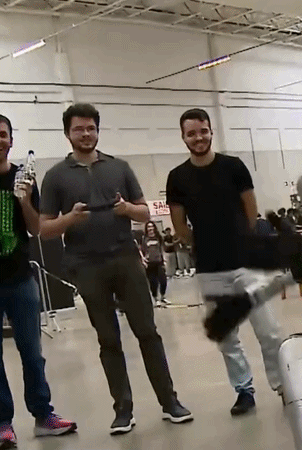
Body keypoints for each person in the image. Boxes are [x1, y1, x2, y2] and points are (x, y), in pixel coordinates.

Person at [39, 103, 192, 434]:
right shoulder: (55, 177)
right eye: (79, 129)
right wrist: (69, 219)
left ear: (98, 130)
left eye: (91, 128)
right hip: (86, 266)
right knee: (108, 339)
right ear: (67, 133)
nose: (86, 134)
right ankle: (123, 410)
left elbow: (145, 212)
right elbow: (44, 228)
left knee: (148, 332)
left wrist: (127, 210)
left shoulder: (120, 167)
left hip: (125, 260)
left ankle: (170, 402)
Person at [166, 108, 286, 415]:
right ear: (183, 137)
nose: (198, 138)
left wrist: (242, 241)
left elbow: (251, 210)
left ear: (210, 131)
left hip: (246, 265)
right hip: (210, 270)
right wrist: (203, 245)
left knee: (269, 331)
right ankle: (243, 390)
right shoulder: (177, 178)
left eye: (203, 131)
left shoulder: (233, 167)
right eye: (191, 133)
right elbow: (179, 226)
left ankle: (282, 384)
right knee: (227, 337)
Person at [0, 114, 77, 447]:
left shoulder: (24, 178)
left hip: (20, 279)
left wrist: (24, 199)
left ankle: (44, 416)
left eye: (2, 134)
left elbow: (35, 229)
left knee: (32, 353)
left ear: (11, 140)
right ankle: (2, 423)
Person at [141, 221, 170, 307]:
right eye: (148, 227)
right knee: (153, 282)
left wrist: (164, 259)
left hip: (159, 262)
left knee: (163, 280)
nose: (150, 228)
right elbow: (140, 249)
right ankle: (156, 298)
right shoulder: (144, 238)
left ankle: (163, 296)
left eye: (151, 226)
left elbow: (162, 248)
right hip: (150, 263)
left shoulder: (158, 237)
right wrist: (143, 259)